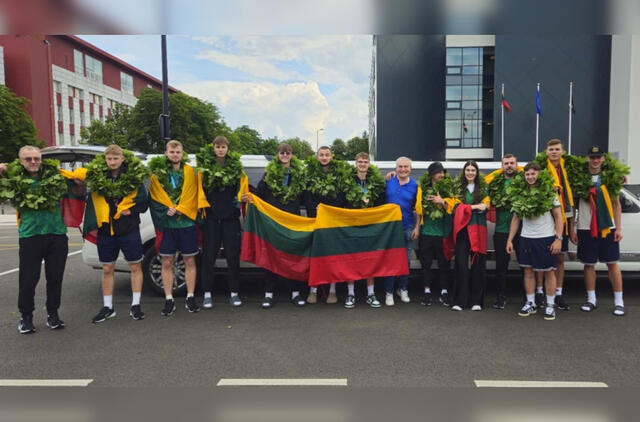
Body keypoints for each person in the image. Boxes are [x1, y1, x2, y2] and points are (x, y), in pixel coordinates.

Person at [0, 146, 85, 334]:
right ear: (20, 161)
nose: (33, 162)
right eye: (28, 159)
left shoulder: (55, 176)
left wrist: (80, 184)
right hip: (30, 235)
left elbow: (78, 193)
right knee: (28, 279)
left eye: (36, 158)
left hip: (56, 234)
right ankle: (26, 316)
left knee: (55, 278)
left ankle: (53, 314)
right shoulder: (14, 178)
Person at [84, 144, 149, 323]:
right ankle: (108, 307)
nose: (112, 162)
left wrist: (131, 210)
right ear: (105, 160)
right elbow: (87, 195)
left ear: (122, 159)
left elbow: (144, 203)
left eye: (115, 158)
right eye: (109, 159)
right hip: (106, 230)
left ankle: (136, 305)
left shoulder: (133, 177)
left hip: (128, 229)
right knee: (107, 268)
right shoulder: (98, 177)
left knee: (135, 266)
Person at [241, 143, 307, 308]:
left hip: (292, 222)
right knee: (271, 256)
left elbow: (306, 197)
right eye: (282, 152)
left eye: (288, 153)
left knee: (291, 257)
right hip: (273, 223)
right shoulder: (269, 173)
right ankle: (268, 294)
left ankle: (295, 292)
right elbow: (260, 194)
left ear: (291, 155)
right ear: (278, 154)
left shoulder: (299, 174)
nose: (285, 155)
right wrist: (251, 197)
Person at [149, 140, 207, 316]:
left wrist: (183, 208)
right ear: (166, 153)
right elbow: (153, 198)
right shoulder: (157, 174)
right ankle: (169, 299)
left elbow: (196, 195)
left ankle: (190, 297)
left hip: (187, 224)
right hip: (168, 226)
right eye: (172, 152)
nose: (175, 155)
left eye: (178, 152)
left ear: (182, 153)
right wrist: (165, 209)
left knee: (190, 261)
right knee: (167, 262)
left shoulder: (191, 172)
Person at [570, 146, 626, 316]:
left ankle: (619, 301)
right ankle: (591, 299)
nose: (595, 160)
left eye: (598, 157)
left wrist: (618, 228)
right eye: (592, 157)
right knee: (589, 264)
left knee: (612, 263)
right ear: (587, 158)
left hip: (607, 227)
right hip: (585, 227)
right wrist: (572, 228)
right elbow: (573, 206)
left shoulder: (609, 177)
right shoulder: (579, 178)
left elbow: (616, 204)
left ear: (603, 159)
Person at [506, 162, 563, 321]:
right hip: (526, 237)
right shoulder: (520, 193)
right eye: (527, 174)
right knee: (528, 271)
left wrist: (558, 239)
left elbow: (558, 216)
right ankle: (530, 302)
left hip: (546, 237)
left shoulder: (549, 192)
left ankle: (550, 305)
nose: (530, 177)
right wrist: (510, 240)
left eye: (533, 174)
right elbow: (516, 218)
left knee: (549, 272)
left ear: (539, 174)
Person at [198, 136, 248, 309]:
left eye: (223, 147)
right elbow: (197, 190)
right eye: (218, 147)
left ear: (227, 148)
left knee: (232, 257)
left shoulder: (236, 169)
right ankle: (207, 294)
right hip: (211, 220)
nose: (220, 150)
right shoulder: (204, 169)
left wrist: (242, 198)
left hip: (230, 220)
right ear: (213, 148)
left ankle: (234, 293)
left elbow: (244, 190)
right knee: (208, 257)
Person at [304, 146, 349, 305]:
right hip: (316, 222)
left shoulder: (340, 174)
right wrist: (314, 208)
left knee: (332, 257)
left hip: (333, 222)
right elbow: (306, 197)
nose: (324, 157)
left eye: (327, 155)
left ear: (331, 156)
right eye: (321, 155)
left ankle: (332, 291)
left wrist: (329, 210)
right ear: (317, 157)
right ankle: (313, 290)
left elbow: (343, 197)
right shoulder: (309, 174)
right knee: (315, 256)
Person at [534, 139, 574, 310]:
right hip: (544, 219)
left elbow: (571, 199)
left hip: (563, 218)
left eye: (557, 149)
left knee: (559, 258)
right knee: (541, 258)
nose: (554, 152)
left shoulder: (569, 170)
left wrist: (571, 228)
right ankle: (539, 292)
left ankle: (558, 293)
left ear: (562, 151)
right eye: (551, 149)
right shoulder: (540, 169)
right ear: (546, 152)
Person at [343, 152, 385, 308]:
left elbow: (381, 203)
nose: (362, 164)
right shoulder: (347, 181)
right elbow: (342, 203)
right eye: (360, 162)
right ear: (356, 163)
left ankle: (371, 294)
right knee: (351, 260)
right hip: (352, 226)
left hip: (370, 227)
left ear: (369, 164)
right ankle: (351, 294)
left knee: (370, 259)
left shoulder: (376, 182)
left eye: (365, 162)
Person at [449, 160, 489, 311]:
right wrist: (475, 206)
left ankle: (476, 301)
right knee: (460, 264)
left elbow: (486, 206)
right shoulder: (457, 188)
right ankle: (460, 301)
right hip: (462, 230)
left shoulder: (484, 188)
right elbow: (455, 208)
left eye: (473, 170)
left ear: (477, 172)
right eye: (468, 170)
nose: (470, 173)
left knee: (478, 264)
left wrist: (469, 207)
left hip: (478, 229)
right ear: (464, 172)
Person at [382, 157, 421, 306]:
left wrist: (417, 227)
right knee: (390, 261)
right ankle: (389, 292)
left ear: (410, 169)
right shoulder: (388, 181)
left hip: (407, 227)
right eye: (400, 166)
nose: (403, 169)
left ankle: (403, 289)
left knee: (405, 261)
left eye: (406, 167)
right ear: (396, 168)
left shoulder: (415, 186)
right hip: (390, 228)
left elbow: (419, 209)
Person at [485, 154, 520, 309]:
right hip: (501, 230)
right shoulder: (494, 183)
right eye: (506, 163)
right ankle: (500, 296)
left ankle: (531, 297)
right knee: (501, 266)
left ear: (517, 165)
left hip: (523, 231)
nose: (509, 166)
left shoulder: (525, 181)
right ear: (502, 166)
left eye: (512, 163)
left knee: (526, 266)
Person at [417, 161, 454, 307]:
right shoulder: (422, 189)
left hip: (443, 233)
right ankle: (426, 291)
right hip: (426, 232)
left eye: (443, 172)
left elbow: (453, 208)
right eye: (439, 172)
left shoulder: (449, 189)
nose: (442, 175)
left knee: (444, 264)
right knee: (425, 263)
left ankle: (444, 291)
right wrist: (417, 228)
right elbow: (419, 210)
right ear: (432, 174)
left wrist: (442, 202)